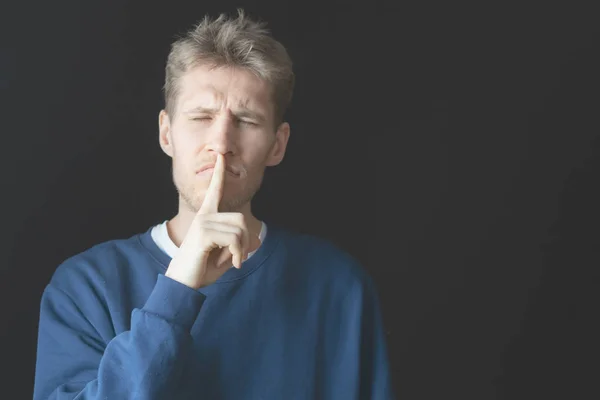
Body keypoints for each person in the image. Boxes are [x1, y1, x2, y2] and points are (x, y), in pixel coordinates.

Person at [33, 9, 393, 400]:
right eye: (201, 117)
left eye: (247, 120)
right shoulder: (84, 287)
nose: (221, 143)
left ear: (278, 144)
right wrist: (177, 291)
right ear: (166, 133)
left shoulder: (340, 288)